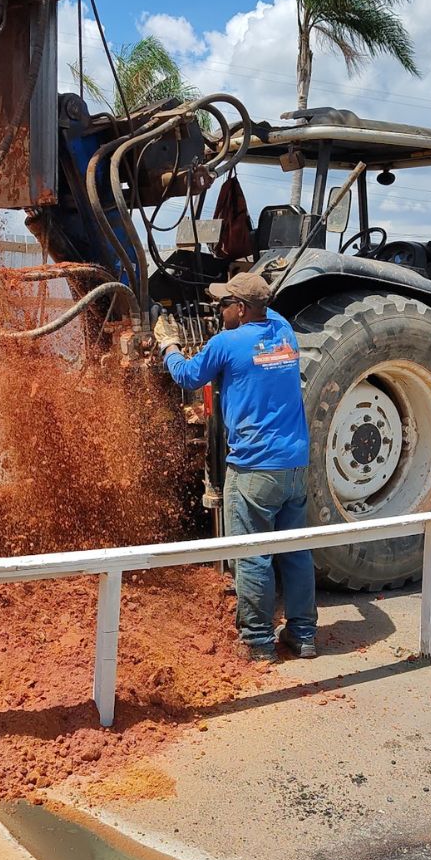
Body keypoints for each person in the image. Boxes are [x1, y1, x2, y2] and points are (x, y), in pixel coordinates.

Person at [154, 272, 317, 662]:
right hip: (294, 466)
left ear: (241, 309)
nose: (218, 309)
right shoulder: (284, 332)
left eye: (224, 303)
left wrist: (169, 344)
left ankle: (259, 641)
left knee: (253, 554)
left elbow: (187, 375)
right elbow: (264, 314)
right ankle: (304, 634)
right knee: (295, 552)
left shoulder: (226, 343)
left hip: (253, 470)